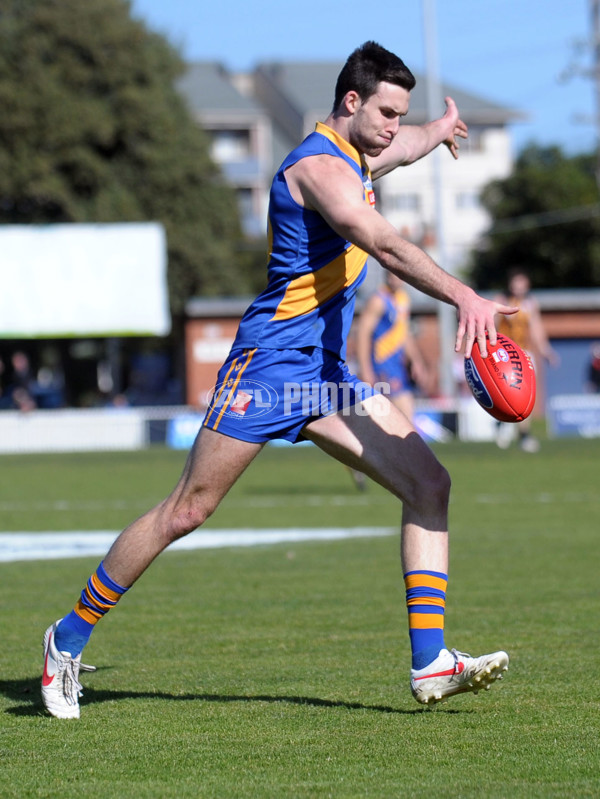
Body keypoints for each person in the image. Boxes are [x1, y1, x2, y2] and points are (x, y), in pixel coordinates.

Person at [42, 41, 516, 719]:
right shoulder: (322, 168)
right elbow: (380, 241)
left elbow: (400, 148)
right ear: (350, 102)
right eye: (384, 110)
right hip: (265, 371)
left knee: (430, 483)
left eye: (400, 112)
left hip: (325, 378)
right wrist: (465, 296)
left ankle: (431, 661)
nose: (392, 123)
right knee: (187, 510)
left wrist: (436, 131)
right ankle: (66, 636)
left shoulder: (360, 151)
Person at [495, 268, 559, 452]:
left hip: (525, 352)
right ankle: (502, 423)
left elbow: (537, 328)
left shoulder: (531, 303)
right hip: (505, 353)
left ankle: (524, 434)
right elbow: (494, 325)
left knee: (526, 394)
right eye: (516, 282)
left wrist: (546, 351)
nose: (519, 286)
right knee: (505, 393)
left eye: (522, 282)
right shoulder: (501, 300)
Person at [356, 271, 430, 422]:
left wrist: (417, 361)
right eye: (392, 275)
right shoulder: (378, 300)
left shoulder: (403, 299)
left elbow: (403, 333)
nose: (395, 279)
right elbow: (363, 334)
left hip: (398, 365)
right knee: (400, 413)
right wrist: (365, 370)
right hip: (382, 365)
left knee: (401, 416)